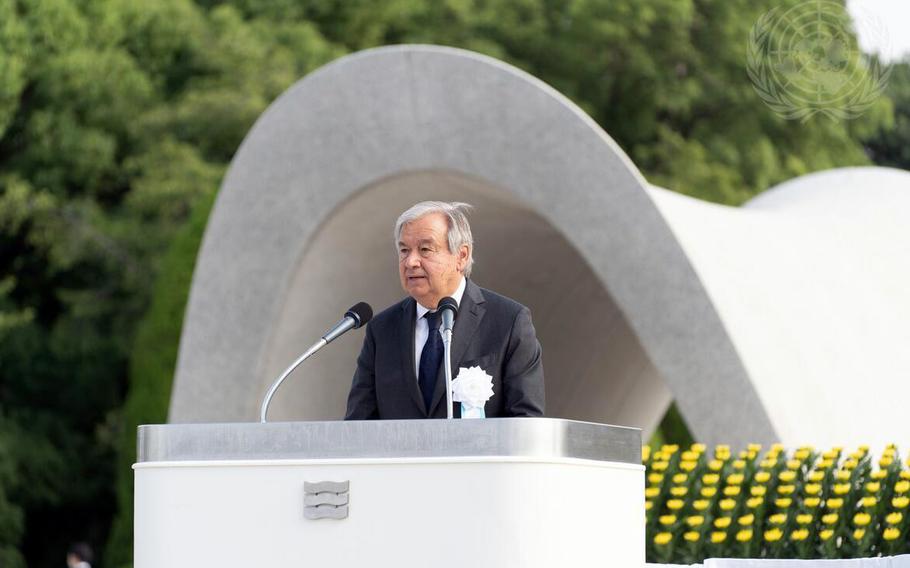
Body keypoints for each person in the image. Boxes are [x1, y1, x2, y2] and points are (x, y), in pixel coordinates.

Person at [345, 201, 545, 419]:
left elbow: (526, 422)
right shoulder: (382, 330)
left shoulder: (508, 322)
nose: (411, 261)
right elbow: (359, 423)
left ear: (462, 256)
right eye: (404, 250)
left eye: (425, 249)